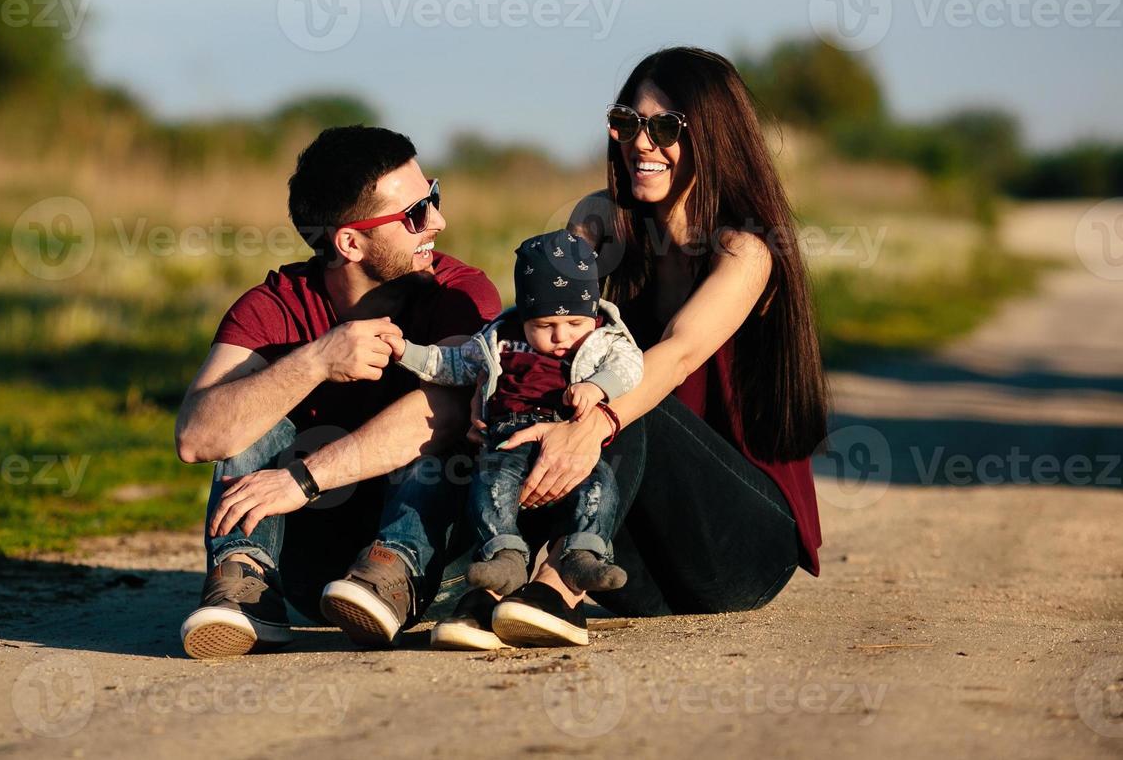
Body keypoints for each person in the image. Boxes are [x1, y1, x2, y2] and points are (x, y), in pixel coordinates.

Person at [423, 47, 829, 649]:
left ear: (713, 138)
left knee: (619, 386)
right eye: (628, 122)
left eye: (666, 128)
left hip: (741, 549)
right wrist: (495, 382)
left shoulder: (746, 250)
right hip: (644, 560)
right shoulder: (607, 222)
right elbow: (544, 312)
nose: (641, 142)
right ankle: (485, 587)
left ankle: (556, 593)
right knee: (542, 400)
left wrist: (598, 422)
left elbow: (681, 353)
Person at [174, 125, 501, 659]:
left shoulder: (459, 293)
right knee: (251, 412)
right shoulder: (273, 306)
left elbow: (446, 410)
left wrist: (304, 479)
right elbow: (196, 436)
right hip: (313, 562)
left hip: (435, 561)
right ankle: (247, 585)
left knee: (446, 441)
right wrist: (315, 360)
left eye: (434, 197)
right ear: (350, 241)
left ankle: (392, 567)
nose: (438, 222)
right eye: (417, 213)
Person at [382, 230, 643, 648]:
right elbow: (450, 364)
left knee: (600, 485)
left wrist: (599, 386)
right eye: (546, 325)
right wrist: (406, 352)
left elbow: (632, 366)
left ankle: (582, 555)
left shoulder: (602, 340)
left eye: (575, 323)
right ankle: (504, 556)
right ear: (524, 316)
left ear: (592, 316)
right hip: (507, 443)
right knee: (490, 490)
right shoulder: (498, 340)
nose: (561, 337)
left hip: (567, 439)